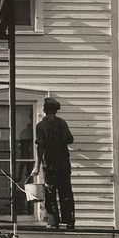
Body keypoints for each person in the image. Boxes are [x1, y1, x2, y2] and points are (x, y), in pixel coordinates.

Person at [29, 97, 75, 230]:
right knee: (66, 191)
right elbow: (69, 139)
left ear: (44, 110)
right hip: (64, 164)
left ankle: (53, 222)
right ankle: (69, 221)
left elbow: (40, 147)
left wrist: (36, 166)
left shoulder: (41, 126)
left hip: (50, 164)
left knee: (50, 192)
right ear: (56, 110)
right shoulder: (62, 123)